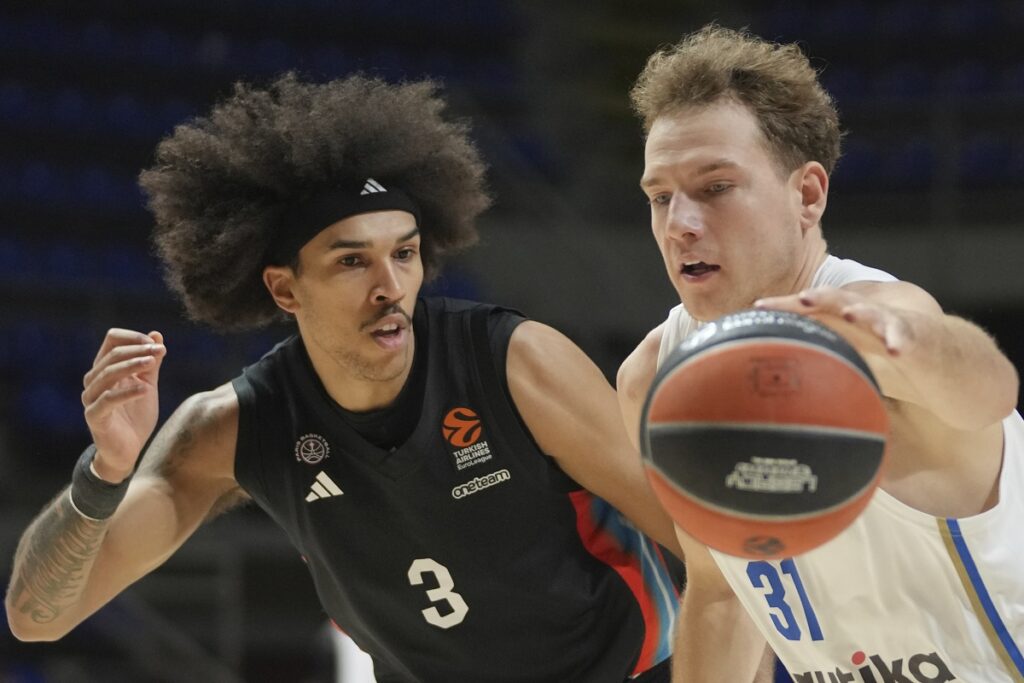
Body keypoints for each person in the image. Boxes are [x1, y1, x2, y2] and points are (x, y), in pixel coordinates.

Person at [4, 73, 684, 682]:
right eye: (351, 262)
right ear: (285, 287)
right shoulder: (238, 426)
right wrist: (104, 472)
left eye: (405, 253)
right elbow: (37, 618)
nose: (391, 286)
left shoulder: (516, 362)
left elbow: (706, 543)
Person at [616, 25, 1023, 683]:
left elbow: (987, 384)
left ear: (807, 194)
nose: (679, 223)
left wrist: (905, 339)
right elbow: (722, 595)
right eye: (660, 196)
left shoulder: (873, 323)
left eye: (714, 187)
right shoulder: (651, 378)